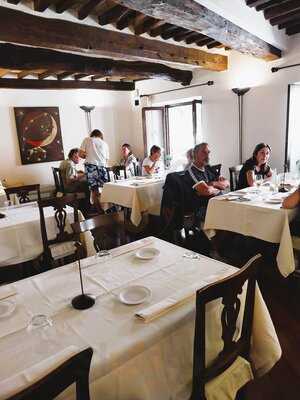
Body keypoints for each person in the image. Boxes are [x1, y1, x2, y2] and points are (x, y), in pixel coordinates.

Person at [184, 142, 229, 220]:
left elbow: (227, 183)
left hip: (218, 203)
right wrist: (218, 187)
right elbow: (206, 190)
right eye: (204, 153)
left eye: (208, 153)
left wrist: (212, 183)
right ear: (195, 154)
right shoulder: (191, 171)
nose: (207, 156)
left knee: (237, 210)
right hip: (203, 208)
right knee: (228, 216)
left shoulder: (208, 167)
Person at [79, 129, 109, 213]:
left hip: (91, 167)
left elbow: (80, 154)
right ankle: (105, 208)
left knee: (94, 189)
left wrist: (88, 155)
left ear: (92, 134)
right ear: (100, 136)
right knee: (104, 189)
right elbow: (106, 160)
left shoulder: (87, 139)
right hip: (102, 167)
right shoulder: (105, 143)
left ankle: (98, 209)